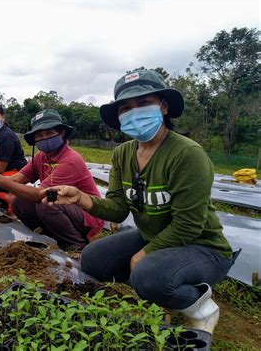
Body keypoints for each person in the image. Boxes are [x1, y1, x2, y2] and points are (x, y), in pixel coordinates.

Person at [42, 69, 235, 333]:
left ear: (163, 107)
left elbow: (188, 225)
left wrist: (143, 257)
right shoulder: (123, 153)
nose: (134, 112)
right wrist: (82, 198)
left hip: (202, 246)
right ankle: (159, 287)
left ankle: (200, 305)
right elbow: (119, 209)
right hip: (153, 235)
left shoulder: (187, 154)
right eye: (126, 107)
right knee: (93, 259)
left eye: (144, 103)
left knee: (145, 273)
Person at [0, 109, 104, 251]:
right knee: (18, 201)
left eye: (49, 133)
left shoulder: (70, 160)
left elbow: (39, 194)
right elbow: (18, 179)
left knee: (47, 202)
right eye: (40, 135)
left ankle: (76, 244)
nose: (45, 138)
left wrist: (0, 180)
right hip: (63, 207)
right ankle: (49, 235)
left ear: (62, 133)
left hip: (87, 215)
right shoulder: (40, 157)